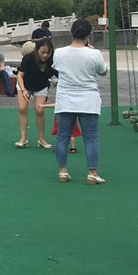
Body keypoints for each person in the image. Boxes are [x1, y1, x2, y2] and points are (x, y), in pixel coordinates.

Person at [52, 19, 109, 184]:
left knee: (62, 138)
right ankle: (92, 173)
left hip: (65, 100)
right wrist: (90, 51)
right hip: (88, 100)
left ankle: (62, 172)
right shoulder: (94, 53)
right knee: (91, 139)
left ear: (71, 32)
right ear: (89, 34)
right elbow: (103, 72)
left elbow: (57, 68)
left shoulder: (59, 52)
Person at [14, 39, 57, 148]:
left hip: (41, 86)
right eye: (42, 52)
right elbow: (20, 76)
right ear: (37, 50)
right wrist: (23, 90)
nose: (45, 55)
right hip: (25, 85)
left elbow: (62, 75)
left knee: (40, 110)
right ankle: (23, 138)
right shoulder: (28, 58)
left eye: (48, 52)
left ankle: (41, 139)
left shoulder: (54, 60)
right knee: (22, 108)